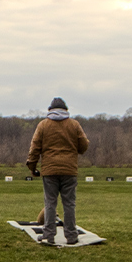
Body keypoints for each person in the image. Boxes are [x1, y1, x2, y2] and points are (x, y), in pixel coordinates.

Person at [25, 96, 90, 246]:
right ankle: (72, 236)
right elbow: (83, 147)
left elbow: (34, 149)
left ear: (50, 110)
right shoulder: (74, 125)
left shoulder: (43, 125)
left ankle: (49, 235)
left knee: (50, 203)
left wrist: (32, 168)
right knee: (69, 204)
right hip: (69, 170)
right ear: (66, 110)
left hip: (49, 171)